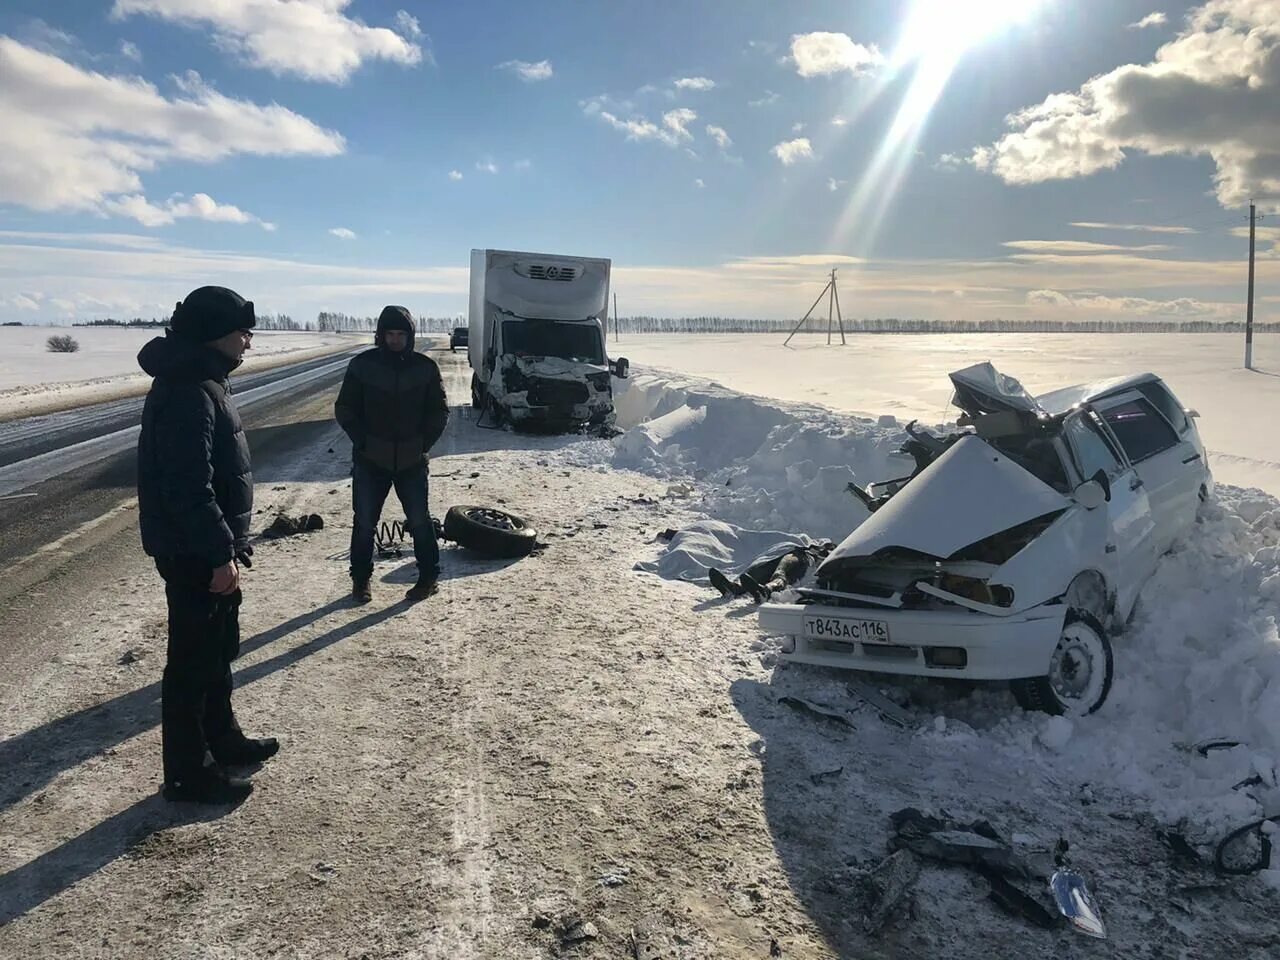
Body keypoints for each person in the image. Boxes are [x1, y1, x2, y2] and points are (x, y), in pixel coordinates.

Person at [137, 285, 278, 805]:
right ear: (216, 333)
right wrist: (219, 553)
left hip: (210, 545)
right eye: (243, 332)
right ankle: (187, 774)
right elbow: (187, 486)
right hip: (195, 550)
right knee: (192, 665)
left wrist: (229, 545)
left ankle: (224, 742)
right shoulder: (187, 389)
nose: (248, 344)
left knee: (217, 654)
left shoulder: (204, 381)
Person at [335, 306, 449, 603]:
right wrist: (362, 442)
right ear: (381, 335)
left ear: (410, 336)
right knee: (364, 524)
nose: (395, 340)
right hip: (371, 461)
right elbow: (345, 408)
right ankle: (361, 581)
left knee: (420, 521)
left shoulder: (425, 368)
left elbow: (439, 411)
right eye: (390, 334)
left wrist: (423, 444)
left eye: (401, 334)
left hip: (412, 462)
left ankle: (428, 577)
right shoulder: (363, 366)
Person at [708, 541, 835, 603]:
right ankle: (736, 588)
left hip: (800, 562)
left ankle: (767, 590)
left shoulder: (829, 557)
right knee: (762, 569)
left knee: (781, 572)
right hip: (788, 553)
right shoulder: (808, 547)